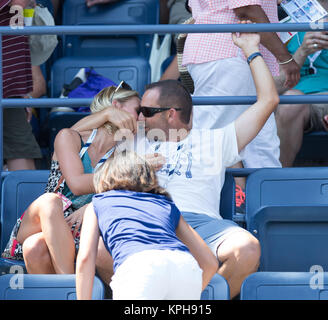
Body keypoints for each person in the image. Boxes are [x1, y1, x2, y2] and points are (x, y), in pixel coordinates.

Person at [72, 21, 279, 298]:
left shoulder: (215, 139)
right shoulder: (134, 137)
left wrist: (251, 49)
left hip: (203, 223)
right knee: (98, 250)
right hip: (144, 219)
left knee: (248, 248)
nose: (139, 116)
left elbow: (268, 101)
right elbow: (73, 136)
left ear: (170, 113)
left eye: (146, 110)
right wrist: (107, 115)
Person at [1, 83, 141, 275]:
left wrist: (94, 205)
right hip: (42, 221)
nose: (143, 117)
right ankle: (71, 287)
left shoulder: (129, 151)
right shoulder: (71, 137)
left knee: (35, 248)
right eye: (138, 110)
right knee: (50, 202)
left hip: (80, 232)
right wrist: (125, 177)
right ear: (116, 107)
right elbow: (76, 184)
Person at [182, 0, 301, 211]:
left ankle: (272, 218)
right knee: (213, 143)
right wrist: (284, 58)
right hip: (225, 52)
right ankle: (200, 216)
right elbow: (246, 7)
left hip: (230, 52)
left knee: (261, 141)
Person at [76, 151, 218, 300]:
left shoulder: (97, 203)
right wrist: (190, 289)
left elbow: (85, 258)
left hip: (140, 268)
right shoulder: (166, 203)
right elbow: (209, 263)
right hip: (184, 267)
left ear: (103, 179)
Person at [275, 0, 328, 167]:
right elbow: (274, 87)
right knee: (290, 101)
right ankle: (277, 179)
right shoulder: (285, 25)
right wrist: (301, 53)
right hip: (300, 101)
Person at [1, 0, 43, 170]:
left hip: (10, 90)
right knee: (21, 152)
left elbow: (16, 31)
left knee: (21, 150)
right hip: (8, 87)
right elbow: (16, 12)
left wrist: (22, 91)